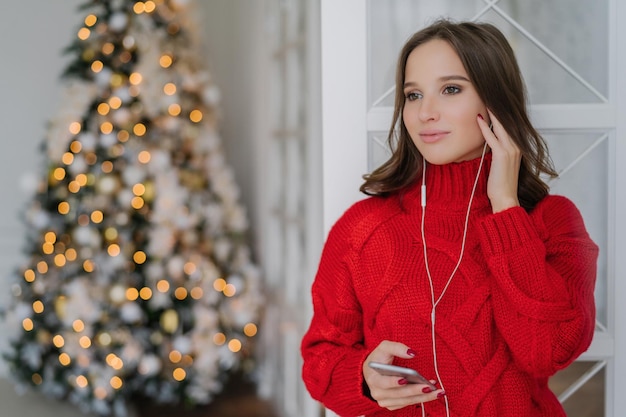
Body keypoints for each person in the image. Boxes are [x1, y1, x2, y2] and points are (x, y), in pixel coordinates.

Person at [300, 18, 599, 417]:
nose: (425, 112)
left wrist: (505, 207)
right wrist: (364, 380)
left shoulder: (553, 221)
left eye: (451, 89)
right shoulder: (362, 228)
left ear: (495, 101)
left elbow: (548, 351)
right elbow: (320, 359)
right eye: (413, 95)